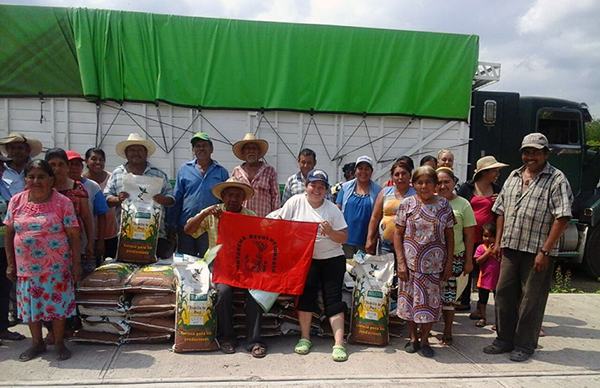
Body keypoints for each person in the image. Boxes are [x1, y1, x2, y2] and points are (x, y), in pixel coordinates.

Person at [483, 133, 573, 362]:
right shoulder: (513, 176)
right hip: (511, 246)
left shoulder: (556, 179)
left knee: (531, 299)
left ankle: (525, 344)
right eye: (526, 151)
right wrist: (499, 241)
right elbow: (501, 211)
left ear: (546, 153)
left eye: (535, 152)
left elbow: (561, 217)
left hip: (537, 250)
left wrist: (545, 251)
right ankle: (504, 339)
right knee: (503, 292)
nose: (530, 156)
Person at [4, 160, 81, 361]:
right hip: (27, 268)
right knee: (31, 307)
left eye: (41, 176)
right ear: (26, 180)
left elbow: (74, 235)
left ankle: (59, 343)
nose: (36, 181)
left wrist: (76, 263)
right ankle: (37, 343)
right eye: (31, 177)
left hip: (57, 267)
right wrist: (11, 263)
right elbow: (9, 232)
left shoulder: (62, 203)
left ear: (51, 179)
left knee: (57, 306)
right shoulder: (16, 201)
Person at [183, 178, 266, 358]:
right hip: (219, 263)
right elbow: (189, 229)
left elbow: (260, 242)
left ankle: (254, 341)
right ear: (223, 197)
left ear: (243, 198)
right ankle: (227, 338)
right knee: (223, 292)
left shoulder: (250, 216)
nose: (234, 199)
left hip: (244, 265)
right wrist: (204, 214)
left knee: (256, 293)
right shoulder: (212, 214)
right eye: (230, 195)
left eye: (238, 195)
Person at [278, 169, 349, 362]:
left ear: (326, 190)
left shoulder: (332, 209)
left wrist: (331, 232)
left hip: (332, 258)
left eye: (321, 187)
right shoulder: (294, 202)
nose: (317, 190)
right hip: (305, 259)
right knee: (306, 296)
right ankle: (305, 337)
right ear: (306, 186)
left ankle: (338, 343)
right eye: (313, 186)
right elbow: (281, 227)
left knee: (333, 299)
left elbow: (343, 237)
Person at [394, 166, 455, 358]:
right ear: (414, 184)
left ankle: (425, 338)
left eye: (428, 182)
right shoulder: (407, 204)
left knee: (430, 305)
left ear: (435, 185)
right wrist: (401, 263)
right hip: (411, 267)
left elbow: (450, 236)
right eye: (420, 182)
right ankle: (413, 337)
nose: (424, 186)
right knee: (411, 303)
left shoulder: (444, 205)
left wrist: (449, 262)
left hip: (434, 267)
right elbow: (397, 234)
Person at [104, 133, 175, 259]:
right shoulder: (117, 173)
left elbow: (171, 198)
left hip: (156, 235)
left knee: (154, 273)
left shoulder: (158, 174)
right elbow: (106, 199)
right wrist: (117, 199)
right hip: (126, 235)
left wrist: (164, 199)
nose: (136, 153)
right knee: (127, 271)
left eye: (139, 150)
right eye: (132, 150)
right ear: (126, 153)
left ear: (146, 153)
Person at [456, 155, 508, 311]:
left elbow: (501, 213)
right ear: (485, 172)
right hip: (468, 236)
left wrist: (499, 200)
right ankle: (464, 300)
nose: (497, 174)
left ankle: (481, 306)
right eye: (494, 171)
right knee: (467, 267)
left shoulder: (498, 190)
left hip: (487, 238)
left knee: (486, 270)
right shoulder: (467, 188)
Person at [169, 132, 228, 257]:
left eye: (204, 145)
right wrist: (171, 225)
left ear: (211, 149)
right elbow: (177, 198)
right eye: (197, 146)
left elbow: (225, 202)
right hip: (186, 225)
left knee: (207, 262)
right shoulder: (185, 169)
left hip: (210, 227)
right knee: (186, 262)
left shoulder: (221, 172)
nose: (201, 148)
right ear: (193, 150)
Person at [436, 167, 475, 346]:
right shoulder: (430, 202)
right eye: (439, 182)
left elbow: (469, 235)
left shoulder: (463, 204)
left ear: (454, 183)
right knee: (431, 295)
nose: (443, 185)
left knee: (449, 297)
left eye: (447, 182)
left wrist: (468, 260)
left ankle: (448, 331)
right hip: (432, 258)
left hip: (456, 256)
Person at [46, 149, 94, 273]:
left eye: (61, 164)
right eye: (52, 165)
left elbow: (86, 217)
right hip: (45, 246)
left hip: (73, 244)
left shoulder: (77, 188)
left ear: (67, 166)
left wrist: (90, 242)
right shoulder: (40, 188)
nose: (57, 169)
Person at [0, 153, 26, 344]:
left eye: (2, 166)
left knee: (3, 287)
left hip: (3, 245)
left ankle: (2, 327)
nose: (1, 169)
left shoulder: (4, 186)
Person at [365, 158, 415, 255]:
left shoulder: (416, 194)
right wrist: (369, 238)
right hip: (385, 246)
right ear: (392, 177)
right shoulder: (384, 192)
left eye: (404, 174)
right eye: (396, 175)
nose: (400, 177)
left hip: (408, 245)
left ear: (410, 175)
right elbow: (375, 217)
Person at [67, 150, 109, 265]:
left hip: (85, 244)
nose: (74, 168)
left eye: (77, 165)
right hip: (61, 245)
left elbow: (101, 215)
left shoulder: (92, 186)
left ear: (82, 167)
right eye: (70, 164)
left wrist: (100, 241)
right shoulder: (54, 186)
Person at [336, 156, 382, 258]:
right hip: (345, 240)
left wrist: (373, 239)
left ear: (371, 171)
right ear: (355, 171)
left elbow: (378, 217)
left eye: (367, 169)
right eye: (360, 168)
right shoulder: (345, 188)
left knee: (364, 272)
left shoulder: (378, 191)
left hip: (366, 241)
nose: (363, 172)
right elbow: (337, 209)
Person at [231, 133, 279, 218]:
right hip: (241, 219)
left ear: (259, 152)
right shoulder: (236, 172)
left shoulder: (269, 171)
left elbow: (276, 197)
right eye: (248, 148)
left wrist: (274, 219)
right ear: (243, 152)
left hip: (263, 220)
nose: (251, 151)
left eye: (254, 148)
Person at [83, 148, 119, 259]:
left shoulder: (112, 178)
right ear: (86, 161)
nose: (98, 162)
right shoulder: (81, 181)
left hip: (110, 232)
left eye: (101, 159)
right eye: (94, 159)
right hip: (88, 235)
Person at [473, 223, 501, 329]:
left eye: (491, 236)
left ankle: (498, 321)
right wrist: (488, 252)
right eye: (485, 236)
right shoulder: (481, 248)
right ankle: (482, 317)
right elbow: (478, 261)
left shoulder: (499, 249)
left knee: (498, 300)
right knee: (482, 299)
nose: (487, 239)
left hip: (497, 280)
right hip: (484, 279)